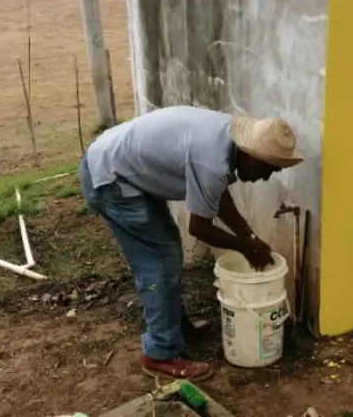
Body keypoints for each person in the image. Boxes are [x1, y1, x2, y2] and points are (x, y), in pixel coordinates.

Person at [78, 105, 303, 382]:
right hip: (111, 179)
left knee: (165, 252)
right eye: (267, 169)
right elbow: (199, 228)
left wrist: (250, 237)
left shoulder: (226, 142)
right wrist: (246, 247)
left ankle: (174, 328)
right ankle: (160, 354)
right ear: (250, 154)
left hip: (121, 166)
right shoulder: (211, 160)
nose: (265, 177)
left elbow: (215, 195)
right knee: (160, 259)